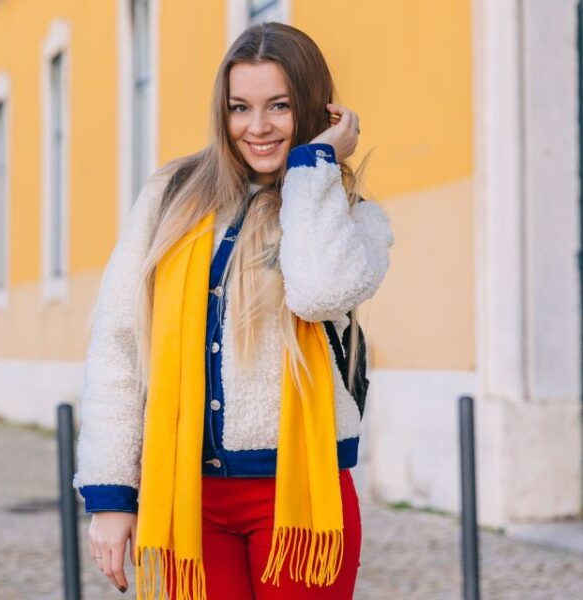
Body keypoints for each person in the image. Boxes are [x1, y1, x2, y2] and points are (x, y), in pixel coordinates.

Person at [73, 21, 394, 600]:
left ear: (314, 107)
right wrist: (111, 494)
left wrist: (315, 165)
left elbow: (319, 292)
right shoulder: (170, 197)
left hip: (300, 496)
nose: (258, 126)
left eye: (280, 106)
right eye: (239, 107)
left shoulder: (350, 217)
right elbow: (119, 342)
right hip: (185, 494)